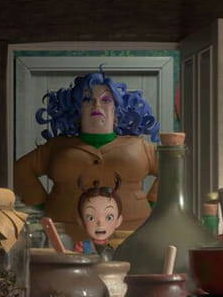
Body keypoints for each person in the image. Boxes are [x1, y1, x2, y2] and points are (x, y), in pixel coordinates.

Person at [13, 69, 160, 246]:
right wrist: (40, 207)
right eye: (87, 99)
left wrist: (156, 205)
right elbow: (20, 170)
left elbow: (173, 168)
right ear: (76, 108)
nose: (96, 104)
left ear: (117, 108)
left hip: (132, 235)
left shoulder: (139, 145)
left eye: (106, 100)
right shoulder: (56, 146)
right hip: (65, 237)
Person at [73, 176, 123, 260]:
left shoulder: (116, 248)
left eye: (109, 217)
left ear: (118, 221)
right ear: (81, 221)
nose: (100, 223)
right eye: (91, 218)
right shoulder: (84, 247)